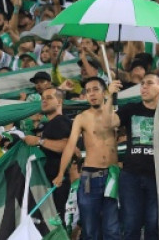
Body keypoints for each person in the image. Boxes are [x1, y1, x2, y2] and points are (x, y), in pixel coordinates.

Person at [116, 73, 159, 240]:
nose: (144, 87)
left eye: (149, 83)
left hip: (157, 177)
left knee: (154, 225)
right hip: (131, 175)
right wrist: (110, 95)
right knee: (131, 225)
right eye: (142, 83)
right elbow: (110, 122)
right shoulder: (131, 108)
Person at [53, 77, 122, 240]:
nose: (91, 94)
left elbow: (113, 126)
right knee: (90, 230)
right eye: (88, 91)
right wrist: (61, 173)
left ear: (104, 92)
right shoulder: (82, 118)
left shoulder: (115, 115)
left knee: (112, 229)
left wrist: (111, 96)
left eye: (95, 89)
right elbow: (70, 145)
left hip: (112, 175)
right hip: (90, 177)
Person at [22, 87, 72, 219]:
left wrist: (39, 141)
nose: (44, 101)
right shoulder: (49, 124)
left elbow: (66, 147)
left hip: (57, 182)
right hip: (50, 182)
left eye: (49, 98)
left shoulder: (60, 121)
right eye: (43, 98)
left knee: (56, 222)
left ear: (59, 102)